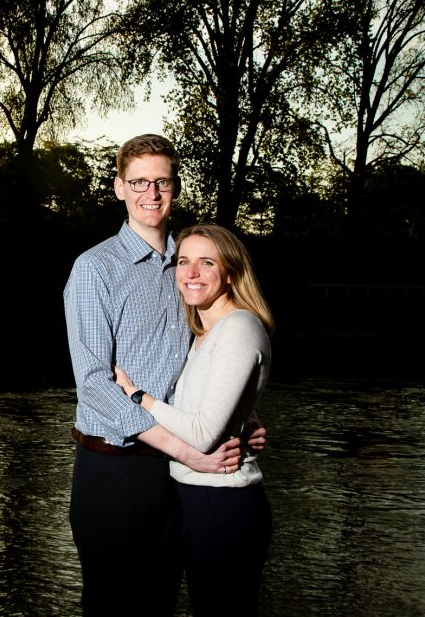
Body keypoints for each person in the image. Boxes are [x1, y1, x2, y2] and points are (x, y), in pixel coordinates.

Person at [63, 134, 265, 616]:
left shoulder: (190, 266)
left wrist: (242, 420)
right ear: (118, 187)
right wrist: (188, 451)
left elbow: (214, 358)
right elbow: (93, 383)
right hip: (115, 470)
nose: (150, 194)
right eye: (138, 182)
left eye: (161, 182)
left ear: (174, 187)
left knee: (162, 603)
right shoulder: (95, 269)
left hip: (175, 474)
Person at [114, 223, 274, 615]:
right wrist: (245, 420)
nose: (192, 273)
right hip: (199, 497)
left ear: (231, 273)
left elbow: (203, 434)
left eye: (207, 263)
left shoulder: (238, 327)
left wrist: (139, 397)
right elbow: (211, 403)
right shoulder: (205, 330)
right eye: (184, 261)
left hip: (224, 500)